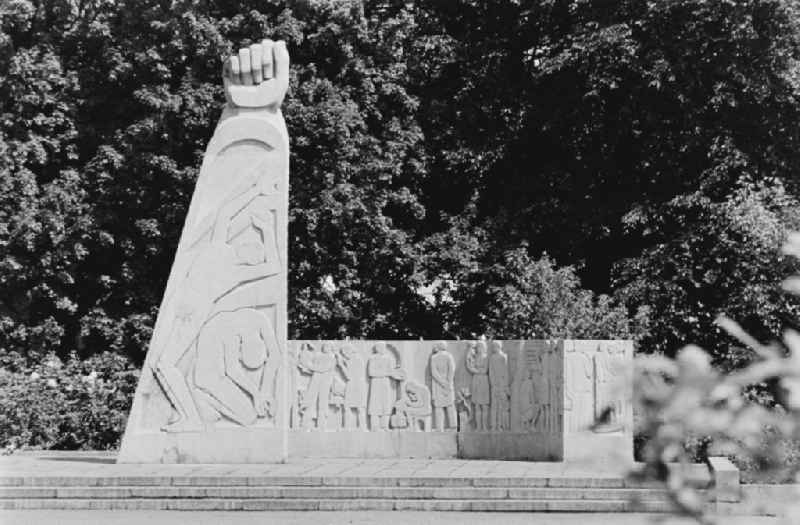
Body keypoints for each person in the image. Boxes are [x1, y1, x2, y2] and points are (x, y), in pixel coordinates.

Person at [338, 344, 367, 430]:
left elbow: (349, 375)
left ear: (349, 351)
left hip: (355, 385)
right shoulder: (355, 359)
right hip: (354, 384)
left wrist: (341, 365)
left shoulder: (355, 360)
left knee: (358, 407)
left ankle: (360, 427)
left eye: (344, 353)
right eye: (343, 354)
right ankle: (349, 427)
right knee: (348, 406)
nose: (344, 355)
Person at [430, 341, 456, 431]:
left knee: (439, 407)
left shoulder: (434, 357)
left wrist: (442, 382)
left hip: (438, 383)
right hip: (446, 382)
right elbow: (452, 370)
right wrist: (447, 382)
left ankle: (439, 427)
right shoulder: (449, 356)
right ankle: (453, 427)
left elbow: (434, 372)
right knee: (450, 406)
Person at [465, 340, 490, 431]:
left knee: (484, 406)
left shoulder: (486, 357)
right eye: (477, 347)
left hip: (483, 381)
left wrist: (476, 371)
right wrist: (469, 349)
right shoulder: (474, 357)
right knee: (477, 406)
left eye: (480, 347)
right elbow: (469, 365)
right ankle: (479, 427)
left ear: (484, 348)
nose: (478, 349)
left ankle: (485, 427)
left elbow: (485, 370)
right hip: (476, 380)